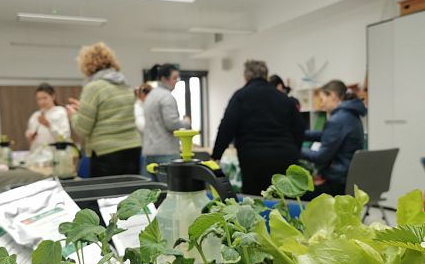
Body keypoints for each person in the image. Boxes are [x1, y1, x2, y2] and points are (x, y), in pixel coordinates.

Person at [212, 60, 305, 195]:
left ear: (246, 76)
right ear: (266, 75)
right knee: (285, 198)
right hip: (284, 156)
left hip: (253, 158)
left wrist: (216, 156)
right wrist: (295, 150)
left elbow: (226, 127)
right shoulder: (283, 98)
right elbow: (299, 127)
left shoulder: (240, 96)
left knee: (255, 200)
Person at [66, 42, 141, 177]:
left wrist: (73, 115)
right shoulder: (125, 84)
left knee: (106, 196)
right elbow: (110, 113)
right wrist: (82, 109)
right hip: (133, 149)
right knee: (130, 194)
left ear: (86, 64)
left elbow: (83, 129)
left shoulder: (94, 87)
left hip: (107, 153)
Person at [301, 80, 366, 199]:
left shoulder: (337, 120)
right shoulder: (350, 115)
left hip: (337, 183)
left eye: (322, 99)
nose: (321, 105)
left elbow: (320, 157)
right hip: (348, 179)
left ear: (332, 95)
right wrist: (300, 134)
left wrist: (294, 148)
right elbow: (328, 136)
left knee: (297, 193)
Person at [143, 64, 190, 169]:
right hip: (166, 151)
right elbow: (171, 124)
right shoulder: (166, 96)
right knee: (169, 185)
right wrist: (186, 122)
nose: (176, 81)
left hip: (150, 151)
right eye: (174, 78)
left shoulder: (150, 96)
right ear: (164, 79)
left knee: (155, 185)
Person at [26, 83, 70, 152]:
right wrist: (30, 135)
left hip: (55, 154)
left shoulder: (60, 112)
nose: (42, 102)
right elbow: (29, 133)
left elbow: (64, 136)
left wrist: (49, 125)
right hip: (38, 154)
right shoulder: (35, 115)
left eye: (44, 98)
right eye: (38, 99)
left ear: (53, 96)